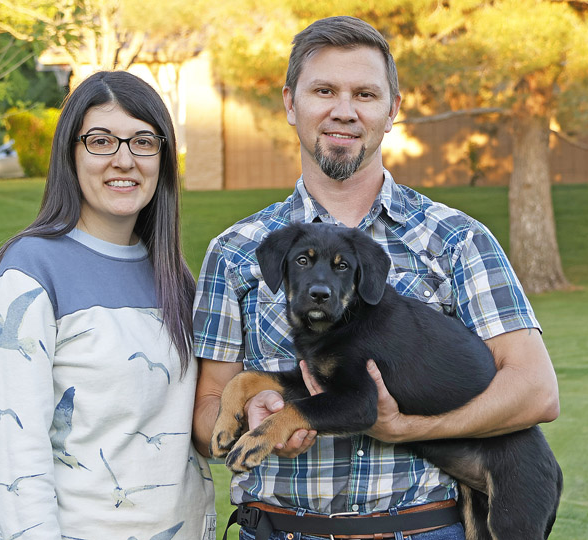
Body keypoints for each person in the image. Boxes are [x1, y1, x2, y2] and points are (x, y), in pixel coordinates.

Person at [192, 16, 559, 540]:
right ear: (291, 103)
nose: (344, 110)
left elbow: (537, 392)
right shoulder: (235, 252)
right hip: (278, 529)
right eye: (324, 91)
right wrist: (253, 410)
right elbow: (208, 420)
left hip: (424, 529)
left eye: (365, 93)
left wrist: (409, 428)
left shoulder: (457, 239)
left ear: (392, 111)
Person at [0, 71, 215, 540]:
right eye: (101, 141)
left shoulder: (175, 276)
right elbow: (14, 453)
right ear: (71, 153)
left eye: (143, 142)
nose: (124, 160)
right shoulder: (29, 272)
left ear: (163, 158)